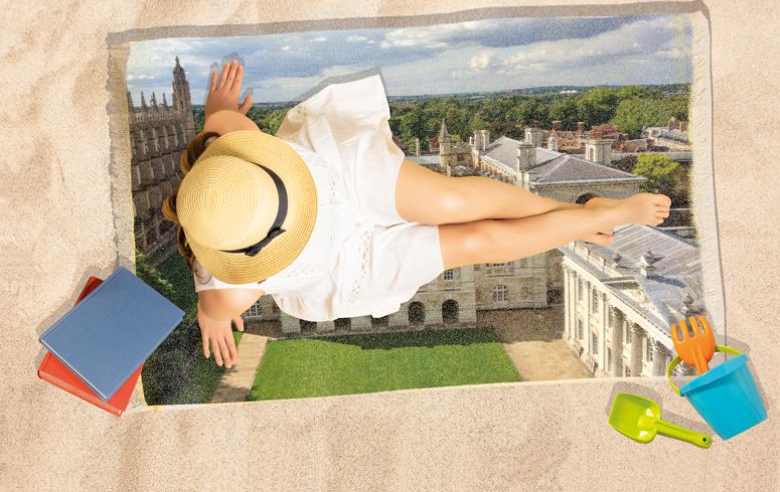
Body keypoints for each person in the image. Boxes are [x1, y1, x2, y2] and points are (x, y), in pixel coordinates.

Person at [162, 59, 671, 369]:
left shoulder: (225, 170)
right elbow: (223, 117)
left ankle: (579, 210)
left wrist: (211, 319)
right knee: (473, 241)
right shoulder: (224, 154)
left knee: (460, 201)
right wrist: (216, 109)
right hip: (351, 258)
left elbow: (215, 311)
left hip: (341, 183)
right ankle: (589, 218)